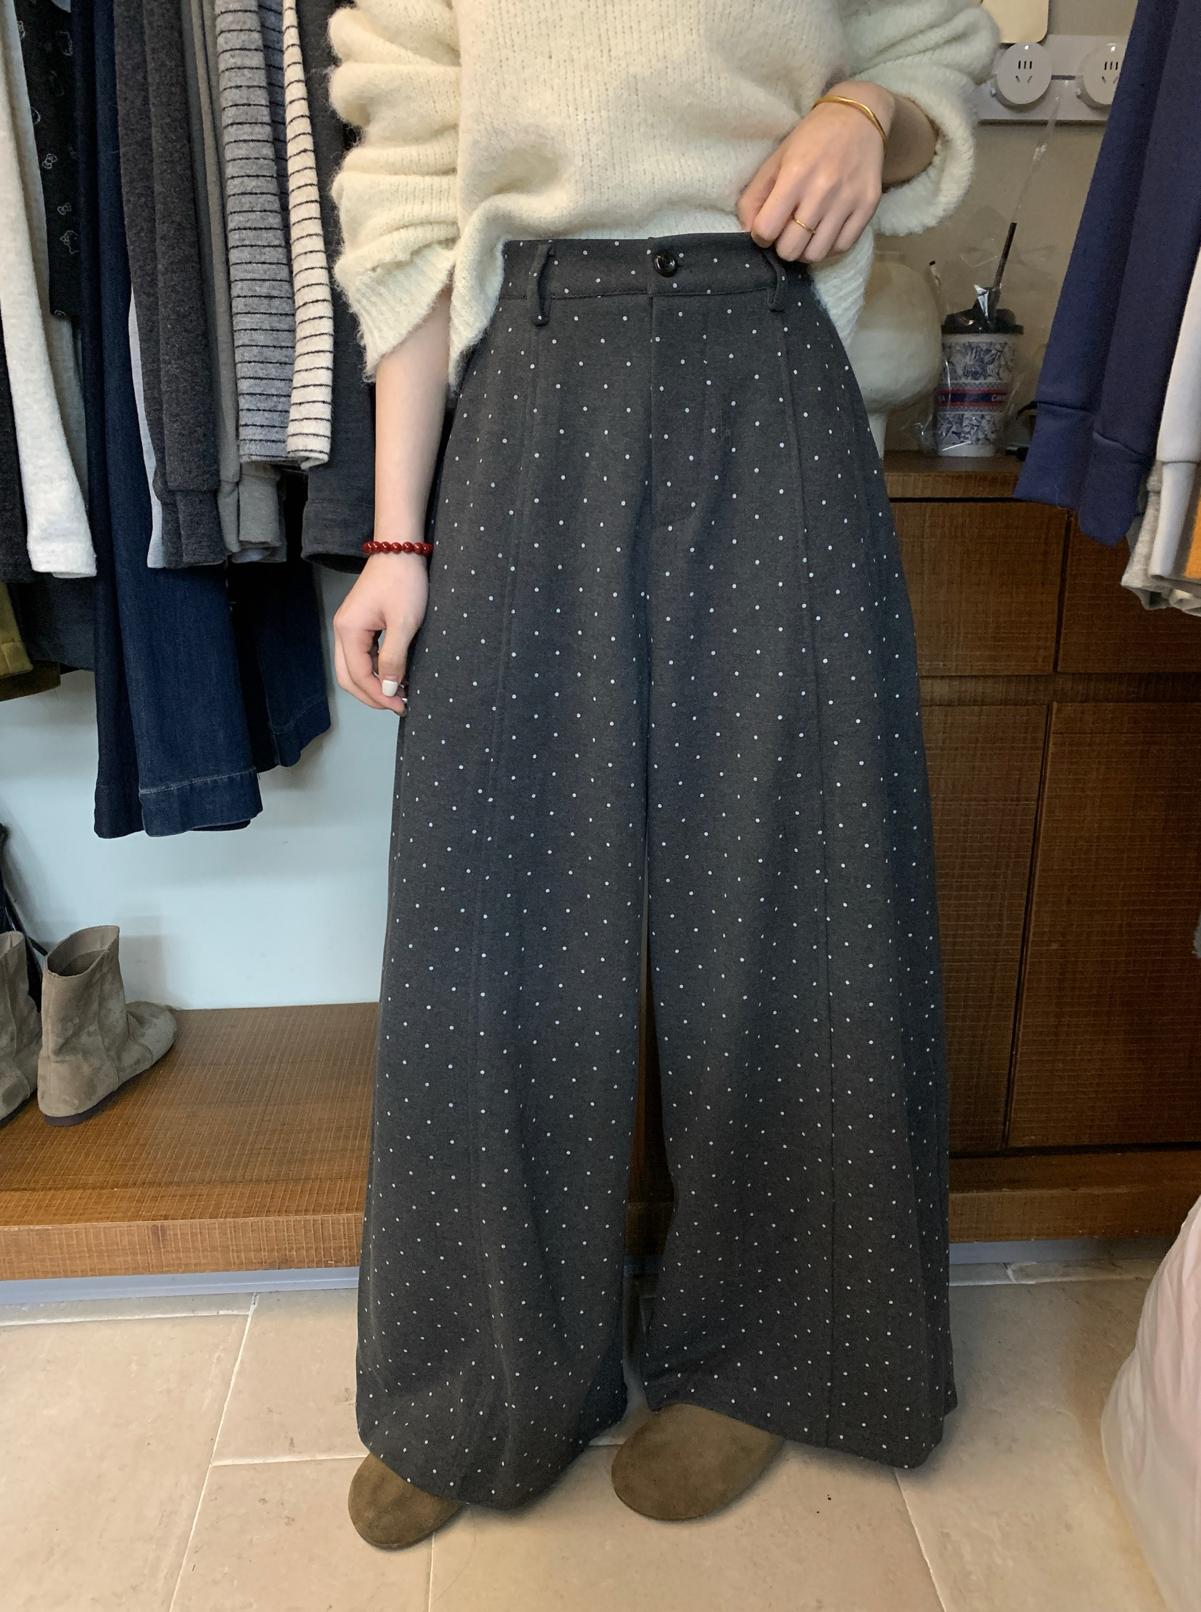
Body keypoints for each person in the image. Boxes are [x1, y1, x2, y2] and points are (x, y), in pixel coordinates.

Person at [325, 0, 998, 1548]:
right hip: (527, 381)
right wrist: (396, 536)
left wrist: (865, 114)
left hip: (766, 362)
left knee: (790, 891)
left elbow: (929, 49)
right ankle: (483, 1370)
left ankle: (776, 1353)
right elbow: (407, 212)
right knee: (490, 907)